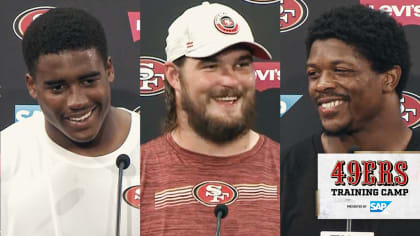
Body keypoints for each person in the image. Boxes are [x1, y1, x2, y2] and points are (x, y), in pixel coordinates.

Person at [140, 2, 280, 235]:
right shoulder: (138, 173)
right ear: (174, 76)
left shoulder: (287, 172)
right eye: (211, 65)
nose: (230, 81)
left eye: (241, 64)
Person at [281, 4, 420, 235]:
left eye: (341, 70)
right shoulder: (286, 172)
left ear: (389, 78)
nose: (321, 84)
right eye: (313, 74)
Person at [0, 8, 140, 236]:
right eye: (57, 87)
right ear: (32, 86)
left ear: (109, 69)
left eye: (88, 81)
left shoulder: (153, 148)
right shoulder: (7, 154)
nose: (77, 101)